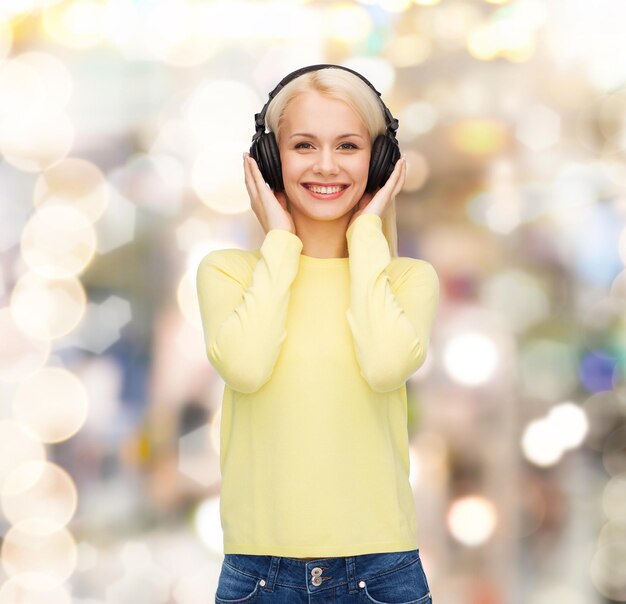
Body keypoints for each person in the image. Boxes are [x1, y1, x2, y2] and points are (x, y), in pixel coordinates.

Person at [197, 64, 440, 603]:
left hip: (381, 576)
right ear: (269, 161)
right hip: (259, 579)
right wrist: (280, 242)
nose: (326, 165)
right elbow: (246, 366)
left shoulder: (406, 281)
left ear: (379, 162)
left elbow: (382, 366)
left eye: (349, 146)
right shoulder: (229, 275)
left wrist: (368, 233)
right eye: (304, 145)